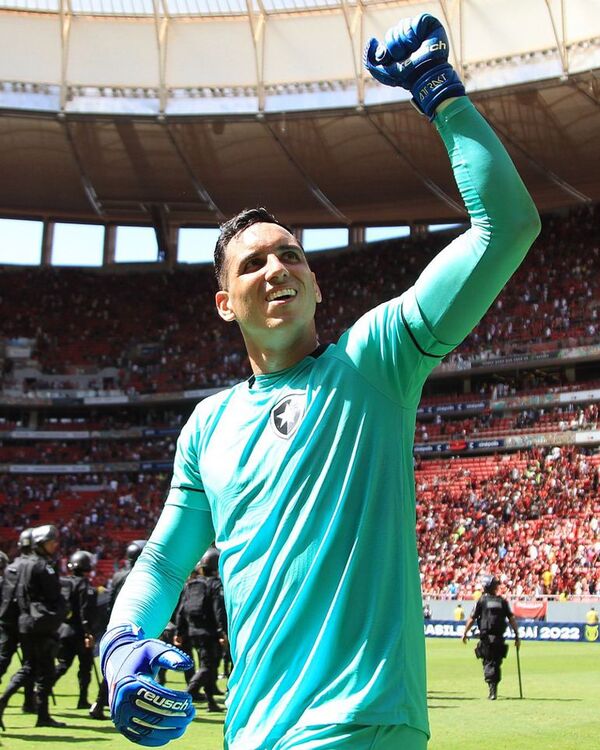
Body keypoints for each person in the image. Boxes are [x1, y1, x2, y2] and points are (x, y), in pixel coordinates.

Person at [99, 12, 540, 749]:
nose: (279, 268)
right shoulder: (207, 426)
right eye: (254, 263)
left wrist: (443, 96)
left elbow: (507, 226)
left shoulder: (375, 363)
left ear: (316, 286)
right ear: (223, 303)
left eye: (293, 255)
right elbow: (163, 561)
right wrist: (121, 647)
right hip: (252, 735)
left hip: (363, 727)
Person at [0, 525, 66, 730]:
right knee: (36, 669)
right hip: (39, 624)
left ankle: (41, 713)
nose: (55, 544)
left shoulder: (17, 565)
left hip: (21, 623)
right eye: (51, 541)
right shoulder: (41, 566)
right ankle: (6, 703)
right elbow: (54, 595)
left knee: (35, 668)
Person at [89, 539, 146, 721]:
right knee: (139, 667)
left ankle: (100, 703)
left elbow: (109, 601)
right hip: (137, 627)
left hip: (117, 626)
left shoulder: (117, 575)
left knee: (115, 667)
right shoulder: (140, 575)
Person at [174, 547, 227, 713]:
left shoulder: (191, 585)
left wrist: (179, 632)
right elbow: (219, 611)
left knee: (208, 666)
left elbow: (182, 610)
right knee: (208, 667)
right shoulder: (215, 585)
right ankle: (187, 694)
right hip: (209, 633)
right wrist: (222, 632)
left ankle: (211, 701)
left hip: (193, 632)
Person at [462, 575, 520, 700]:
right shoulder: (502, 601)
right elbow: (512, 619)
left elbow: (472, 618)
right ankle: (494, 688)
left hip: (486, 638)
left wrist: (465, 632)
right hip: (499, 638)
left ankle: (492, 690)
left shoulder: (482, 601)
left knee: (488, 662)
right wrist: (517, 636)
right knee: (496, 663)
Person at [53, 550, 98, 709]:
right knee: (85, 667)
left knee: (63, 664)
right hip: (79, 632)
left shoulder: (63, 582)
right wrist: (88, 632)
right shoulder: (86, 586)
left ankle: (43, 688)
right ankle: (82, 699)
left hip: (62, 630)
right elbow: (85, 611)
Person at [0, 529, 36, 713]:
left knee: (4, 659)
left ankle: (29, 702)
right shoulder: (31, 566)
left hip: (7, 621)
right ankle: (29, 702)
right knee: (30, 664)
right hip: (24, 621)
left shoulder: (11, 567)